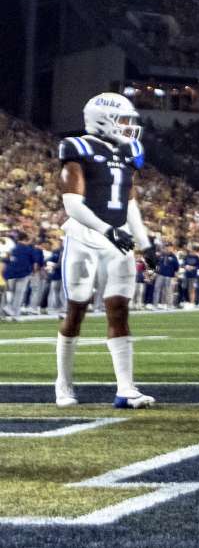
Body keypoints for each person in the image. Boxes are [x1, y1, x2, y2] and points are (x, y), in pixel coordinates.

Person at [54, 92, 159, 408]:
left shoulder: (127, 152)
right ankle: (63, 385)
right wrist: (107, 230)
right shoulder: (76, 147)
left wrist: (147, 243)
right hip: (85, 237)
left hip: (119, 239)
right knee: (76, 311)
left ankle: (126, 390)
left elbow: (129, 202)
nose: (129, 127)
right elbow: (72, 203)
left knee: (119, 309)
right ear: (104, 119)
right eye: (124, 120)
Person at [2, 231, 38, 318]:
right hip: (23, 274)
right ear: (26, 239)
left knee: (8, 293)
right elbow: (35, 263)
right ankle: (14, 312)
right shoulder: (29, 249)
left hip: (10, 274)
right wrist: (34, 272)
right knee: (19, 293)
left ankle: (6, 308)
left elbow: (6, 260)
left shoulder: (13, 248)